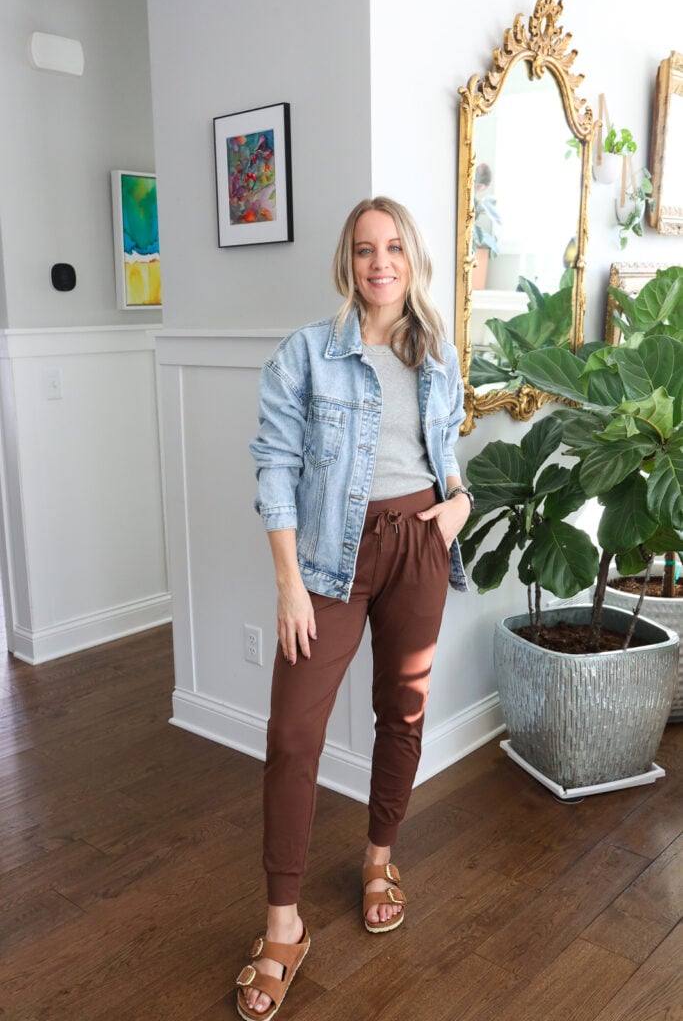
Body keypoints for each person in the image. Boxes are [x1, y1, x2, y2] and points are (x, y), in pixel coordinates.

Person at [237, 196, 471, 1020]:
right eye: (366, 250)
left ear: (413, 261)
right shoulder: (306, 353)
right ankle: (282, 926)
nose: (380, 263)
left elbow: (448, 453)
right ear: (349, 262)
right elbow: (272, 463)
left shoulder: (436, 353)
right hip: (328, 563)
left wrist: (457, 510)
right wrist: (288, 581)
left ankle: (378, 857)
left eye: (394, 249)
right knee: (291, 732)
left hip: (417, 546)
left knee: (400, 711)